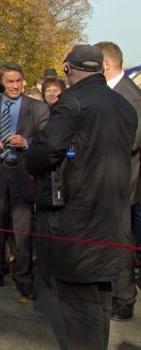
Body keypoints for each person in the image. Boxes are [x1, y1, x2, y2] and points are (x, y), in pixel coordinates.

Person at [25, 44, 136, 350]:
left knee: (79, 305)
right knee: (99, 298)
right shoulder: (124, 105)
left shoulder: (72, 102)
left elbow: (45, 150)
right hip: (110, 213)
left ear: (68, 69)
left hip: (77, 217)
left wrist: (31, 159)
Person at [0, 62, 49, 300]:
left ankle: (24, 278)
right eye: (10, 81)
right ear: (1, 84)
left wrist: (26, 142)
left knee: (23, 231)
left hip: (23, 173)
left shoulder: (38, 108)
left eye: (18, 80)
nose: (15, 85)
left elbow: (47, 141)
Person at [96, 41, 141, 321]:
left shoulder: (130, 96)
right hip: (107, 176)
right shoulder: (111, 91)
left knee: (121, 237)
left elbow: (134, 140)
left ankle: (124, 299)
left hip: (123, 179)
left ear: (106, 65)